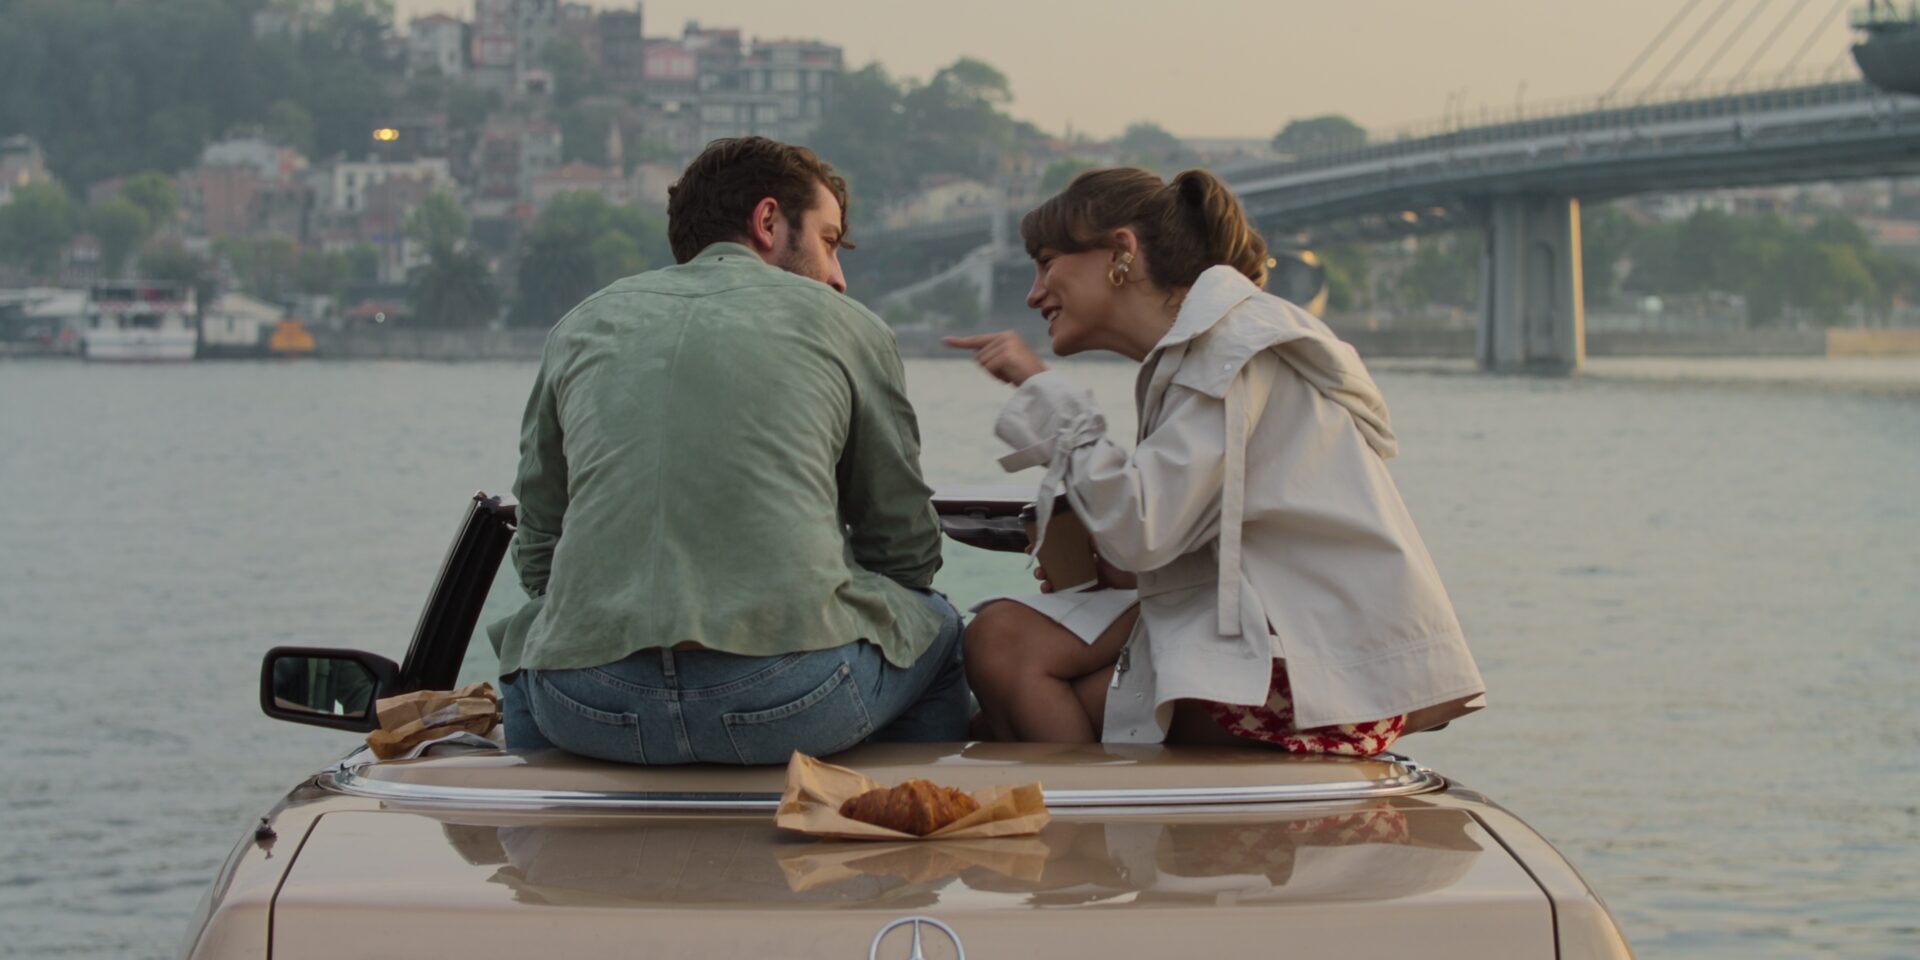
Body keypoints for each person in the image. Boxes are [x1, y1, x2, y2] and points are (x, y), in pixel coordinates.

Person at [944, 167, 1484, 751]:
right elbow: (1204, 534)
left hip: (1311, 681)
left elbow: (1142, 530)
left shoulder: (1228, 350)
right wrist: (1111, 568)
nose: (1034, 293)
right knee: (1004, 660)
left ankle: (1097, 809)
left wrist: (1042, 388)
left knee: (1004, 654)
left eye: (1047, 262)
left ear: (1121, 252)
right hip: (1313, 654)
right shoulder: (1220, 341)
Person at [488, 137, 968, 763]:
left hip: (587, 705)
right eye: (828, 241)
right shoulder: (849, 325)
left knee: (530, 642)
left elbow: (539, 555)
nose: (838, 277)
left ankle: (537, 814)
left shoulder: (579, 326)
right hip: (793, 702)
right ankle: (903, 818)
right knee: (937, 627)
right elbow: (904, 548)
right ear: (768, 221)